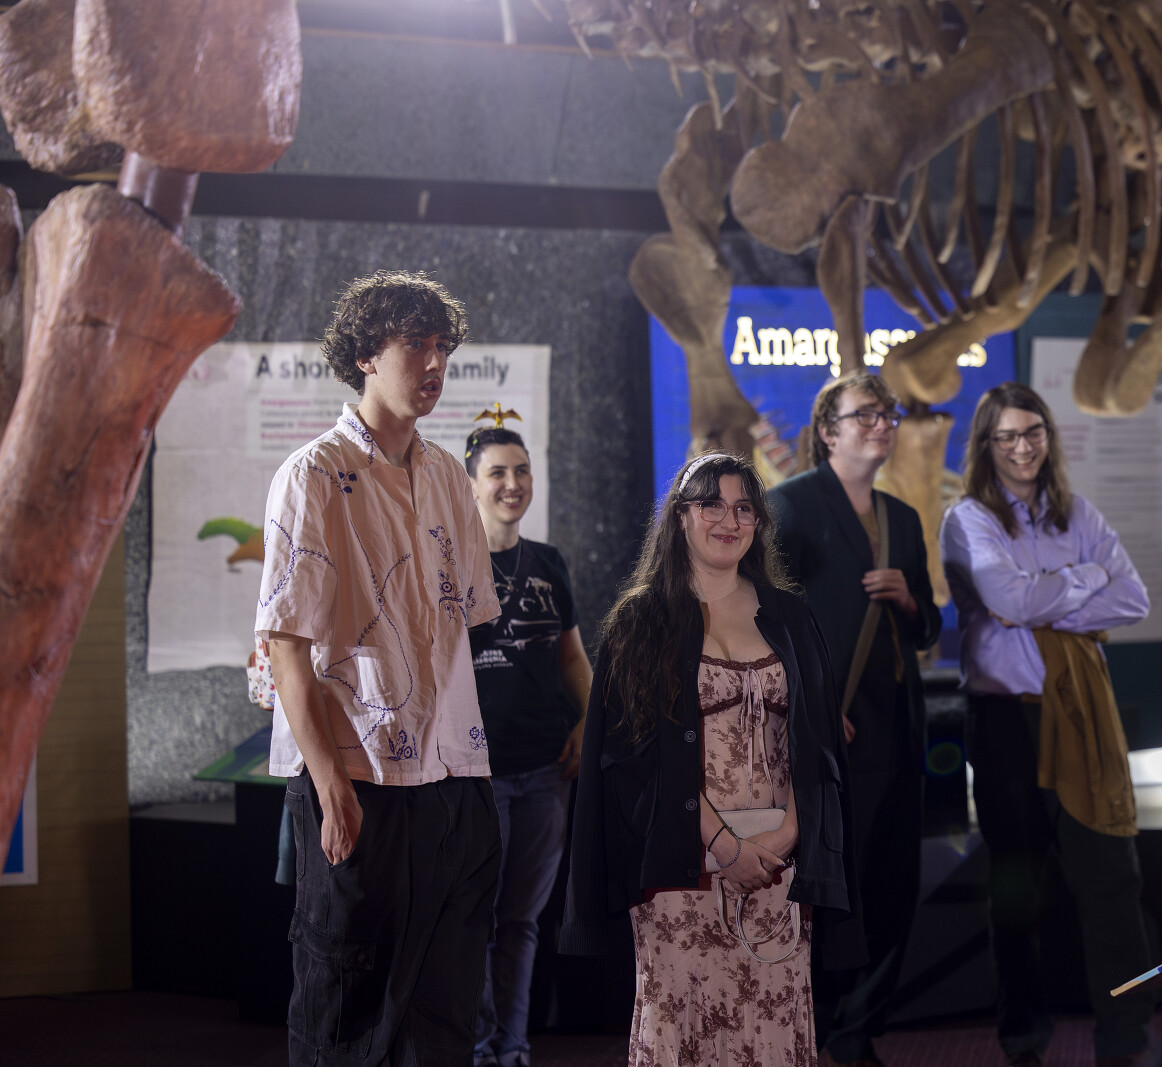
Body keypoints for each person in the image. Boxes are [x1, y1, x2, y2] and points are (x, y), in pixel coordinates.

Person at [256, 270, 502, 1067]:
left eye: (442, 347)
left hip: (452, 776)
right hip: (357, 774)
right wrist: (329, 784)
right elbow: (284, 644)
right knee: (345, 1004)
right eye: (414, 344)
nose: (433, 363)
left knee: (443, 1006)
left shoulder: (449, 476)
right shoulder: (312, 472)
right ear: (365, 354)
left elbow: (465, 622)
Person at [560, 451, 864, 1067]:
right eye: (711, 505)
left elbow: (820, 747)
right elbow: (636, 758)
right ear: (680, 516)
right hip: (683, 866)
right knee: (686, 1028)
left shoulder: (792, 616)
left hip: (780, 866)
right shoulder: (641, 619)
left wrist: (786, 836)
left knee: (771, 1028)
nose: (729, 520)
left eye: (743, 508)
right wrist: (724, 848)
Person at [938, 382, 1155, 1067]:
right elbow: (1006, 597)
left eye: (1032, 432)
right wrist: (1085, 578)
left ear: (1048, 438)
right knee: (1017, 892)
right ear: (986, 445)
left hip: (1080, 718)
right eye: (1006, 436)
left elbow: (1135, 598)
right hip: (1004, 722)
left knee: (1112, 882)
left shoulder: (1079, 513)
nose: (1022, 447)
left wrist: (1044, 600)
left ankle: (1125, 1042)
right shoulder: (967, 519)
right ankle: (1024, 1042)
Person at [767, 371, 940, 1067]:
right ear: (827, 431)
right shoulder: (789, 506)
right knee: (832, 889)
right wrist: (807, 708)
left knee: (895, 884)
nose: (882, 423)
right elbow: (764, 622)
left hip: (899, 728)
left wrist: (908, 601)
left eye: (887, 413)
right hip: (833, 733)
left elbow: (927, 629)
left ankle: (856, 1034)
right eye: (865, 413)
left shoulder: (903, 518)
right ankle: (812, 1030)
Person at [464, 425, 593, 1067]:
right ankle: (479, 1049)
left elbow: (571, 657)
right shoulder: (448, 565)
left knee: (521, 923)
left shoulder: (548, 562)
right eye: (497, 472)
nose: (512, 484)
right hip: (476, 775)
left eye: (521, 471)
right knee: (475, 922)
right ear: (471, 485)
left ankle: (510, 1050)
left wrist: (589, 720)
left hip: (547, 772)